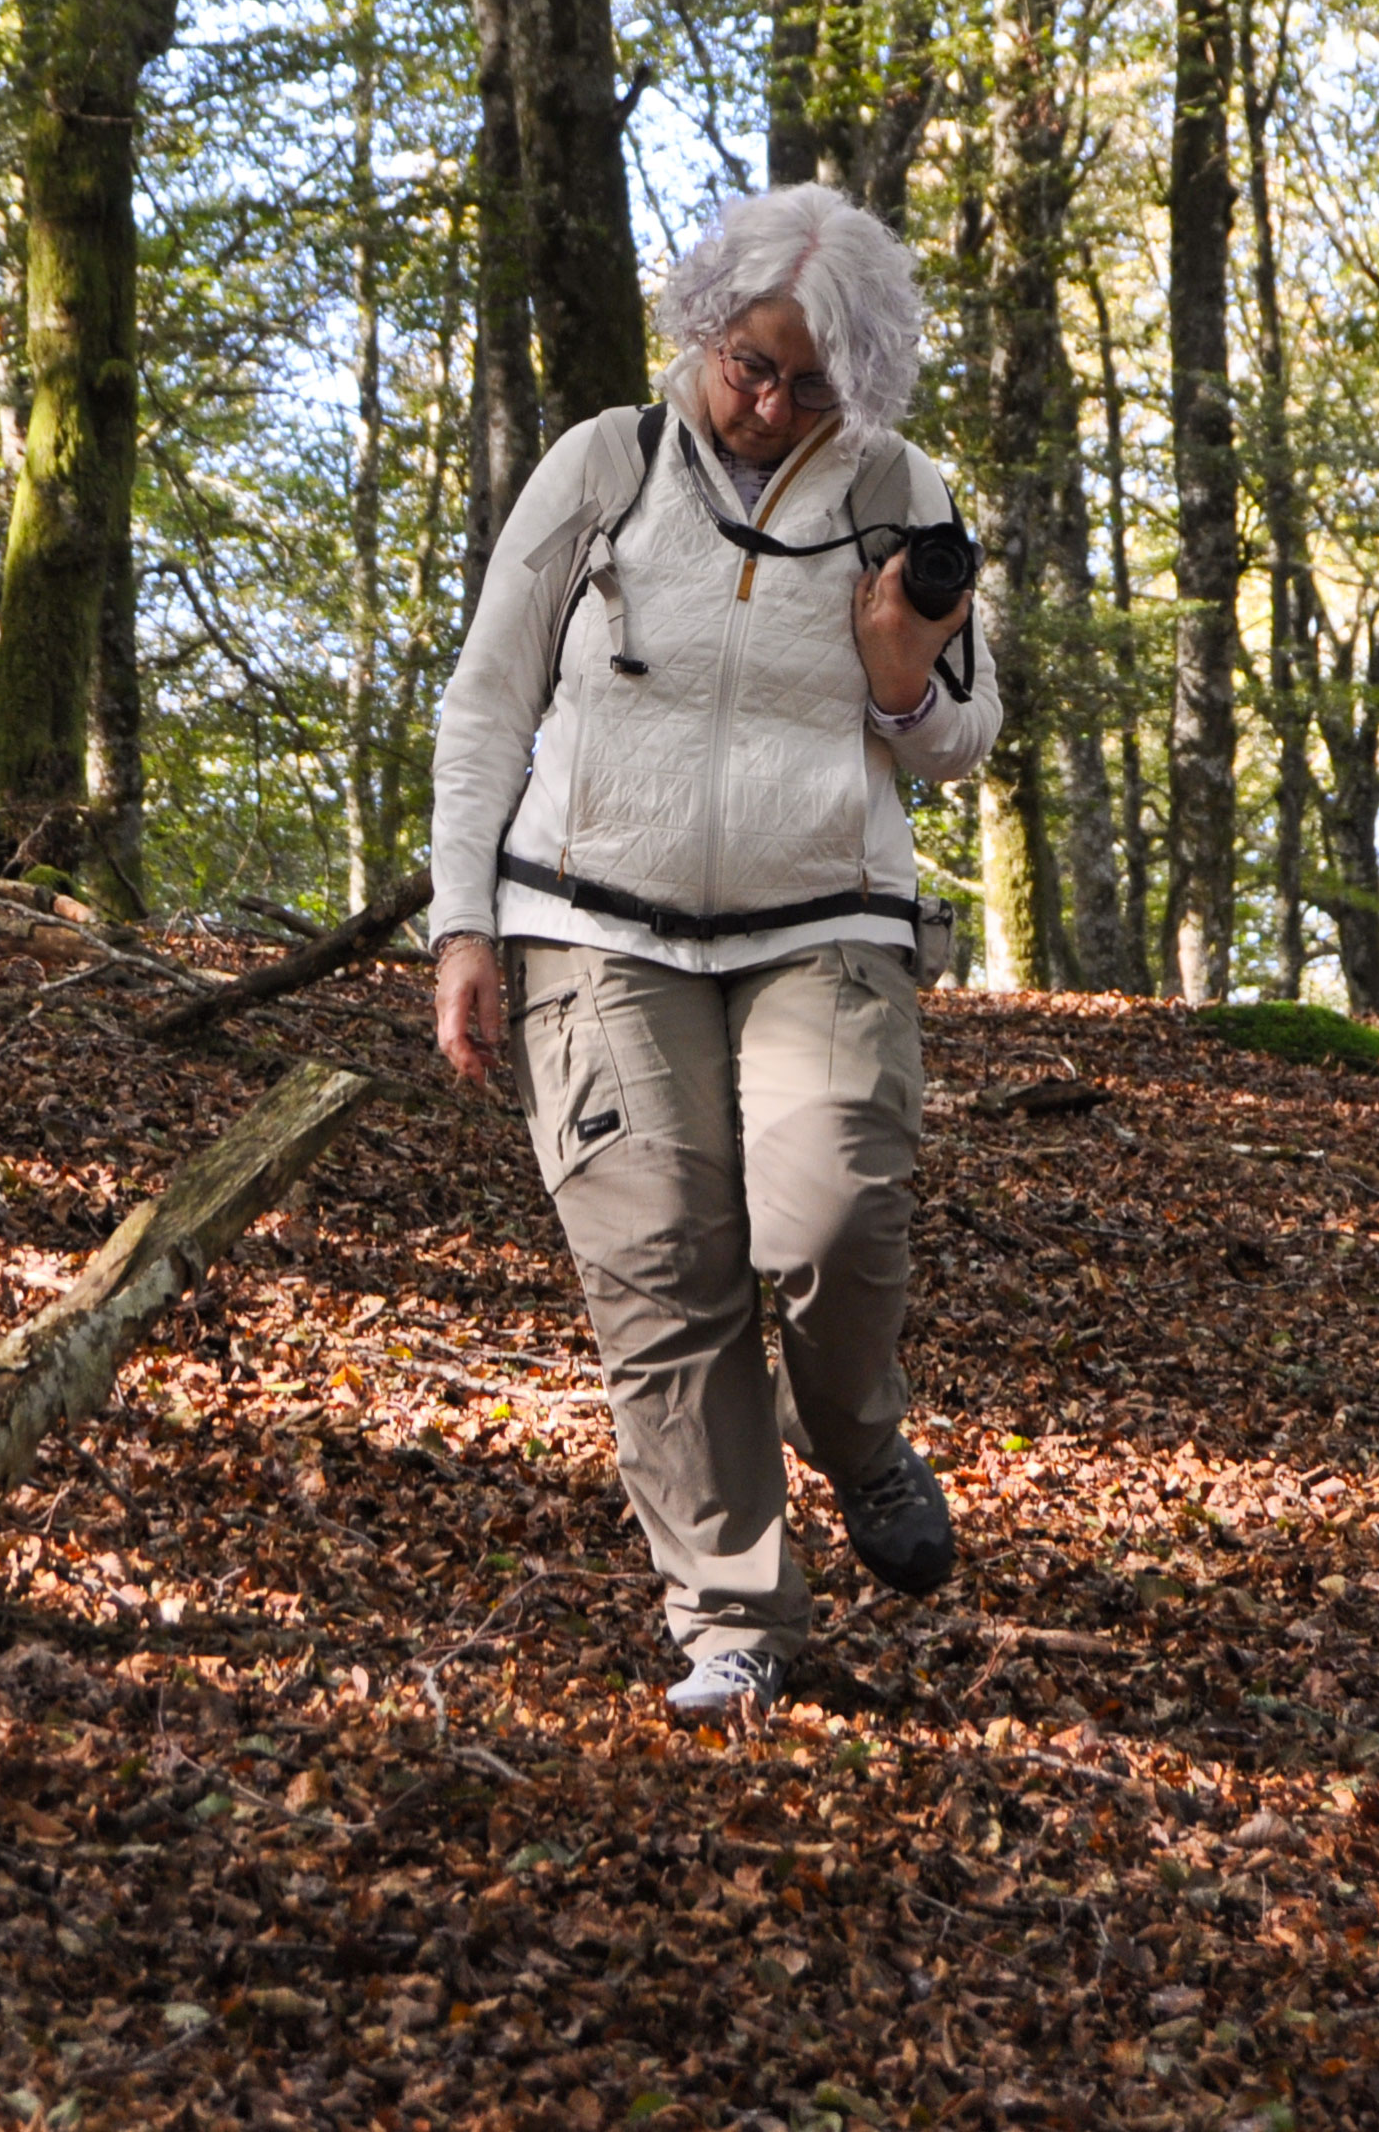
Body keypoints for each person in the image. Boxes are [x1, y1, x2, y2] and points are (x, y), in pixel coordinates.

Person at [424, 185, 1002, 1721]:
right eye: (750, 365)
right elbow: (489, 698)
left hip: (824, 919)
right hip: (589, 919)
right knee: (663, 1270)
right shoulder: (602, 465)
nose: (769, 405)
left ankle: (855, 1433)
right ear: (701, 330)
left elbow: (963, 737)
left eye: (812, 384)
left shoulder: (899, 490)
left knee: (835, 1221)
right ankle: (732, 1619)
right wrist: (463, 920)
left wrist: (900, 680)